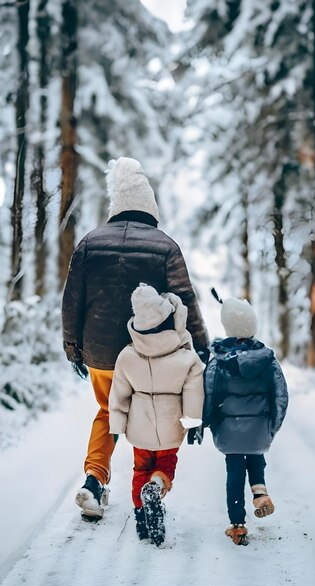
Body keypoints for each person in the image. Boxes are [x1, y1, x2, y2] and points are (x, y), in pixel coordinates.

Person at [61, 157, 208, 521]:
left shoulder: (89, 243)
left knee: (107, 411)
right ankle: (153, 481)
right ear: (149, 207)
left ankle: (94, 482)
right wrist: (203, 346)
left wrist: (73, 348)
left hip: (100, 353)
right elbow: (185, 298)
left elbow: (72, 300)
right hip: (150, 355)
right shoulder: (164, 245)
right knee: (153, 409)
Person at [108, 284, 204, 546]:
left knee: (140, 467)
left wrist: (117, 424)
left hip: (139, 427)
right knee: (165, 464)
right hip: (171, 425)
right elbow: (194, 392)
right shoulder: (186, 357)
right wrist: (193, 423)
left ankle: (140, 515)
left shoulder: (127, 356)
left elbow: (118, 394)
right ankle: (157, 486)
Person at [202, 297, 288, 545]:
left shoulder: (218, 360)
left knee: (234, 472)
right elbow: (281, 395)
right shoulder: (267, 359)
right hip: (259, 427)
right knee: (255, 453)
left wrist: (207, 422)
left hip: (229, 430)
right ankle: (259, 490)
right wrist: (272, 427)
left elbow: (208, 392)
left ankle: (238, 526)